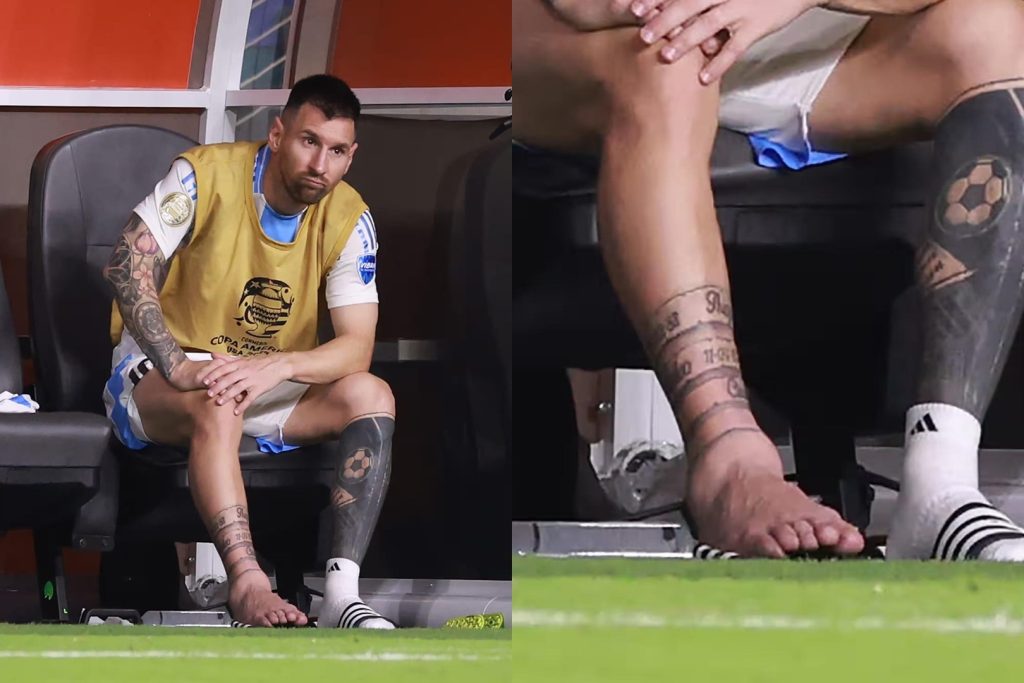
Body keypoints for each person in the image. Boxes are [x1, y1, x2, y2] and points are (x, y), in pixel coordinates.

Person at [514, 0, 1024, 559]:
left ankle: (939, 483)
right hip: (590, 38)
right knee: (666, 58)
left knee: (995, 26)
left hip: (789, 34)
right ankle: (729, 464)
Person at [102, 74, 396, 626]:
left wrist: (277, 366)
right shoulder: (203, 174)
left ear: (350, 157)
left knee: (371, 394)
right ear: (278, 134)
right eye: (309, 142)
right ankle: (246, 580)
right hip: (165, 372)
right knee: (218, 398)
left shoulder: (350, 217)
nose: (320, 165)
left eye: (336, 151)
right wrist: (179, 365)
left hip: (261, 377)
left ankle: (340, 595)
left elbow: (357, 347)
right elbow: (125, 264)